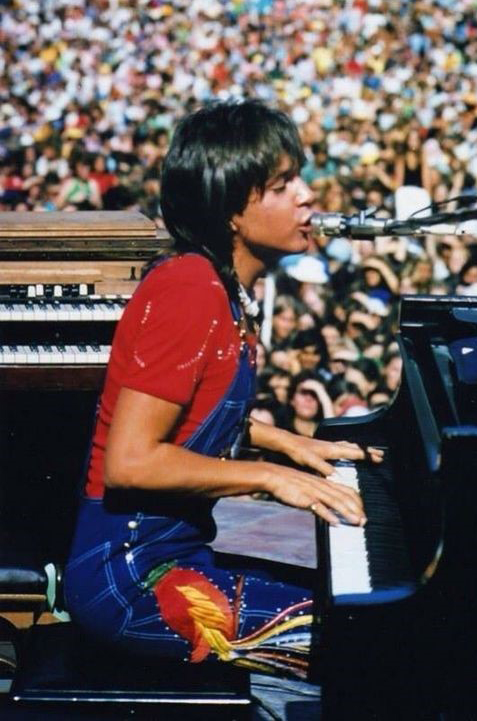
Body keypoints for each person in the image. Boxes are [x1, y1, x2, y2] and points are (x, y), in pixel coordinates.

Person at [64, 99, 383, 681]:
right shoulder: (190, 288)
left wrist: (283, 442)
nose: (307, 195)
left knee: (360, 617)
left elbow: (192, 412)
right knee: (372, 643)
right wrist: (268, 475)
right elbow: (131, 461)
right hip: (130, 578)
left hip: (167, 558)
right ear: (232, 209)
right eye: (284, 184)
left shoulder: (222, 287)